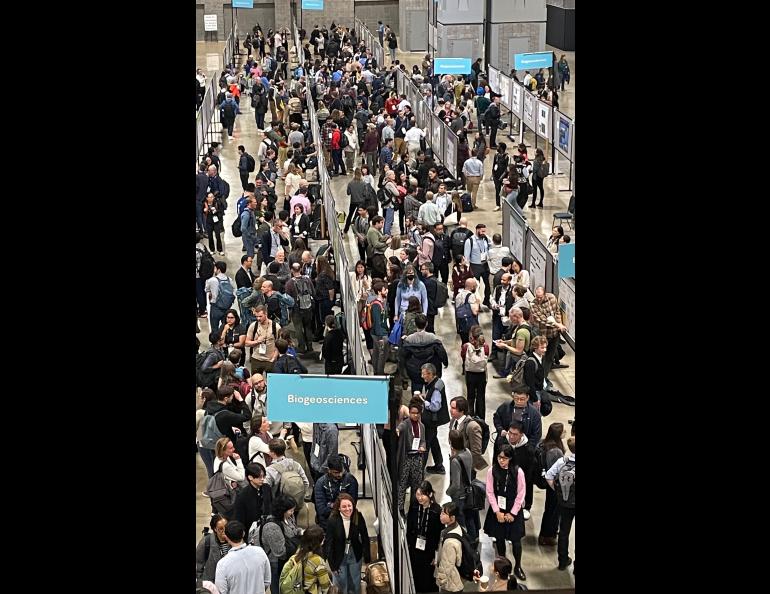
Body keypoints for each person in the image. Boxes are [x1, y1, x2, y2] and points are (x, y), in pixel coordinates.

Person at [483, 444, 527, 581]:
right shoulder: (492, 471)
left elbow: (521, 493)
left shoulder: (518, 472)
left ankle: (518, 566)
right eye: (499, 457)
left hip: (514, 510)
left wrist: (513, 513)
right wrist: (497, 511)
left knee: (516, 541)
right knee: (499, 538)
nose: (501, 460)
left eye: (505, 458)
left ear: (511, 458)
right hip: (499, 510)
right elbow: (490, 492)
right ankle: (503, 566)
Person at [324, 494, 372, 594]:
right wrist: (332, 566)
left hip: (354, 553)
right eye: (344, 506)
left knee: (355, 583)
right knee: (341, 585)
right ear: (339, 508)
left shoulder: (358, 516)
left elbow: (365, 537)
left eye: (349, 506)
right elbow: (328, 543)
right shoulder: (333, 520)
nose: (347, 509)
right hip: (338, 555)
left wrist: (367, 559)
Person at [256, 495, 302, 594]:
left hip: (288, 560)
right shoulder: (271, 527)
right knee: (279, 588)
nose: (292, 513)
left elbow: (293, 530)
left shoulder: (288, 517)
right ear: (282, 510)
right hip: (276, 564)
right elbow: (280, 552)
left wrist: (300, 533)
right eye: (290, 510)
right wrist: (296, 542)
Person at [214, 520, 272, 594]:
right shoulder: (260, 552)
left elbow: (221, 591)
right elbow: (267, 581)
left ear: (226, 537)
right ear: (243, 533)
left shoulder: (222, 564)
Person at [406, 481, 443, 593]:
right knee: (415, 575)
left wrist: (435, 555)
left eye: (423, 495)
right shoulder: (414, 506)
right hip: (414, 549)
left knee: (427, 578)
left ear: (430, 494)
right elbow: (409, 527)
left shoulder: (436, 511)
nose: (420, 498)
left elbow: (439, 534)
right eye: (418, 494)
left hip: (429, 551)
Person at [546, 436, 575, 571]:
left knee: (563, 531)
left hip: (565, 502)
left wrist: (558, 490)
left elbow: (549, 476)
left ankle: (562, 561)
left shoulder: (561, 461)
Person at [446, 429, 479, 542]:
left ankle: (465, 542)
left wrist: (448, 492)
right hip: (468, 492)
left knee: (460, 520)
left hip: (459, 496)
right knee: (469, 518)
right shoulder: (468, 452)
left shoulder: (455, 461)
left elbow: (455, 484)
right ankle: (473, 540)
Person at [395, 397, 427, 514]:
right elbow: (400, 428)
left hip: (417, 457)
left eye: (417, 413)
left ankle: (414, 507)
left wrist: (423, 447)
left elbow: (423, 440)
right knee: (402, 484)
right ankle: (400, 507)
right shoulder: (406, 424)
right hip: (406, 458)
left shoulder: (421, 426)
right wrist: (397, 431)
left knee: (417, 484)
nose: (414, 415)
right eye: (412, 413)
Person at [537, 422, 566, 546]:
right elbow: (555, 471)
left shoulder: (544, 443)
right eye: (563, 431)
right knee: (553, 511)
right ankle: (547, 535)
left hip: (550, 483)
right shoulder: (555, 452)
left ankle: (547, 534)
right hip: (554, 485)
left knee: (549, 509)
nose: (565, 432)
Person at [280, 525, 331, 594]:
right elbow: (325, 586)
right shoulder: (318, 561)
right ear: (318, 542)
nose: (324, 538)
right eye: (323, 537)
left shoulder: (298, 553)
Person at [314, 454, 359, 530]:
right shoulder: (320, 483)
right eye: (336, 472)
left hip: (347, 519)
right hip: (327, 522)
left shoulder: (350, 480)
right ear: (329, 470)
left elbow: (352, 503)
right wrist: (341, 507)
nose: (340, 475)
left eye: (341, 471)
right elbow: (322, 510)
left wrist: (331, 505)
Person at [233, 462, 273, 537]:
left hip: (267, 528)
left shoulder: (266, 488)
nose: (262, 479)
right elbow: (239, 519)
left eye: (263, 476)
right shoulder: (242, 496)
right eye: (259, 477)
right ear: (250, 477)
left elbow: (271, 505)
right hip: (252, 532)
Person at [460, 325, 490, 419]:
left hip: (470, 374)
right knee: (481, 397)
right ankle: (481, 418)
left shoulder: (466, 346)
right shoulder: (485, 347)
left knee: (470, 396)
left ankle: (470, 417)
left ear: (471, 336)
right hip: (481, 375)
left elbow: (463, 357)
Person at [435, 502, 465, 594]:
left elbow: (447, 564)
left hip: (451, 584)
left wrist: (440, 580)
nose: (440, 515)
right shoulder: (456, 528)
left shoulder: (450, 542)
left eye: (444, 514)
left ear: (452, 518)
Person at [245, 305, 280, 375]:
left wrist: (273, 359)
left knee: (271, 383)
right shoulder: (253, 326)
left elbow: (279, 345)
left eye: (260, 316)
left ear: (266, 314)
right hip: (256, 359)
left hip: (270, 359)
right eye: (256, 316)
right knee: (256, 382)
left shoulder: (275, 327)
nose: (258, 318)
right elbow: (246, 343)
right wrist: (257, 341)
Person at [196, 514, 230, 584]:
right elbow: (199, 568)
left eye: (226, 527)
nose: (224, 531)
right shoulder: (206, 542)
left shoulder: (233, 540)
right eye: (221, 528)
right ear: (215, 529)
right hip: (211, 584)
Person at [464, 224, 492, 307]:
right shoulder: (470, 241)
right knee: (475, 286)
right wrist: (467, 268)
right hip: (475, 266)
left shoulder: (485, 239)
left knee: (488, 284)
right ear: (477, 230)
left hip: (485, 265)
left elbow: (491, 245)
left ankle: (487, 301)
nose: (484, 233)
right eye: (482, 231)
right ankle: (476, 303)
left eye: (485, 231)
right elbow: (466, 256)